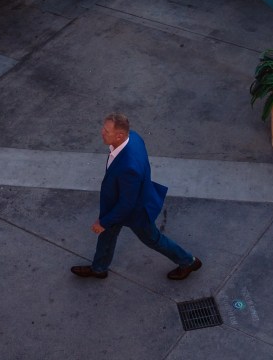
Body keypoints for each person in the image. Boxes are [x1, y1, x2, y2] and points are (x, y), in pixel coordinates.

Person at [70, 113, 202, 281]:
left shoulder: (129, 167)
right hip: (120, 204)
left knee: (153, 239)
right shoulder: (134, 137)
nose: (102, 132)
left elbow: (127, 204)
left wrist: (103, 222)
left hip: (135, 211)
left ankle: (188, 261)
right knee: (107, 235)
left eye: (106, 131)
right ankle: (99, 268)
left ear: (119, 135)